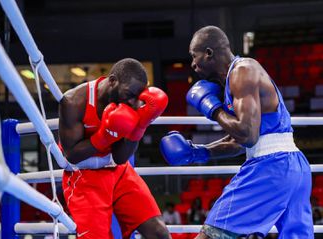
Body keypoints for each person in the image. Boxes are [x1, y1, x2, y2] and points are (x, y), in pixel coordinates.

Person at [160, 26, 313, 238]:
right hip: (292, 167)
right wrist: (199, 152)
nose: (193, 65)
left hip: (270, 168)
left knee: (211, 234)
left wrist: (213, 108)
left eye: (193, 56)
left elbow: (247, 135)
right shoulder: (237, 77)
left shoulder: (243, 71)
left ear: (209, 53)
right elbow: (239, 141)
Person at [59, 58, 170, 239]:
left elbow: (120, 158)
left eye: (138, 98)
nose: (134, 102)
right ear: (112, 81)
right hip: (84, 178)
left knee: (159, 234)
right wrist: (104, 136)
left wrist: (140, 126)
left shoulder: (129, 102)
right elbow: (71, 154)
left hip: (118, 172)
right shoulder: (74, 102)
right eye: (129, 94)